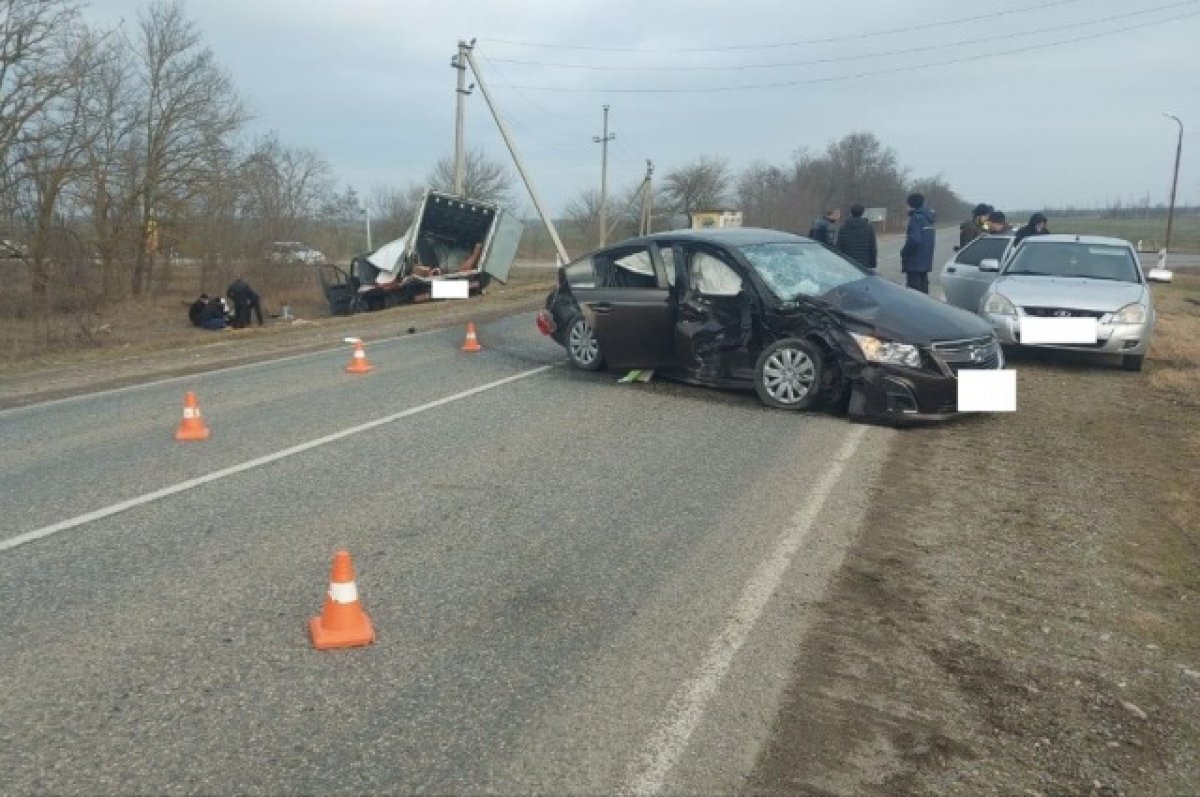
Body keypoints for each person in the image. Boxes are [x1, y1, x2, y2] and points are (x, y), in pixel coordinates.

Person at [900, 192, 936, 294]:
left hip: (914, 262)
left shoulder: (916, 219)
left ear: (911, 205)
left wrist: (904, 252)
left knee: (914, 294)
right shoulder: (929, 219)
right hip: (925, 262)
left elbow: (914, 240)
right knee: (924, 290)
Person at [836, 204, 878, 268]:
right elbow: (872, 247)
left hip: (848, 262)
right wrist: (873, 263)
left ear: (851, 213)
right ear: (862, 213)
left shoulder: (843, 228)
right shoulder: (869, 228)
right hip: (864, 262)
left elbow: (839, 247)